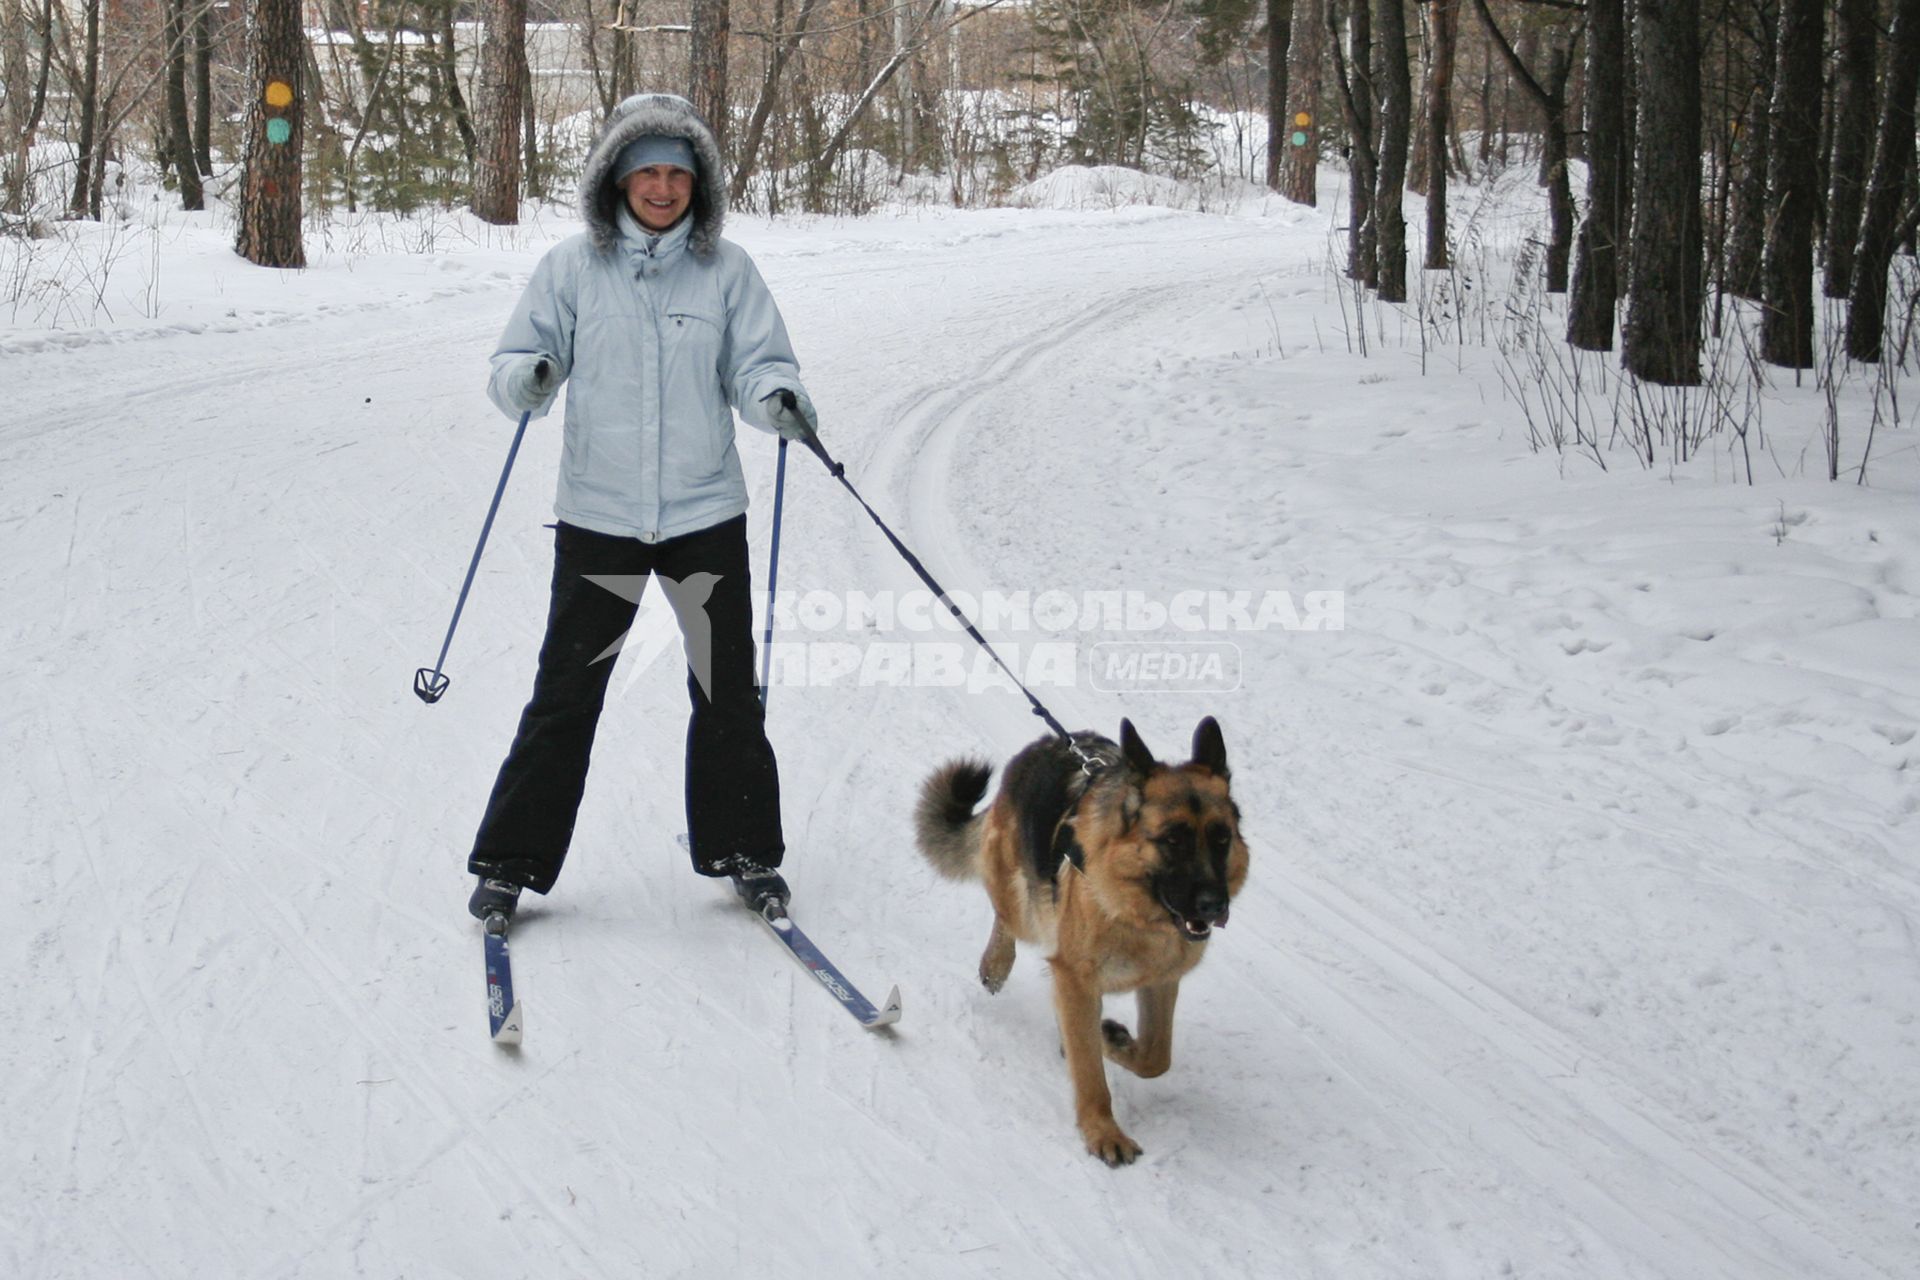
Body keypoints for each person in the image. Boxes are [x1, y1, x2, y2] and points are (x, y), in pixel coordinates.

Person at [465, 93, 816, 924]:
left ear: (700, 182)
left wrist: (777, 398)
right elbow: (514, 360)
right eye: (647, 171)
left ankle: (745, 851)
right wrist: (530, 376)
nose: (663, 187)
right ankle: (511, 863)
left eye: (678, 172)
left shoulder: (727, 270)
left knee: (726, 692)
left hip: (703, 515)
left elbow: (758, 365)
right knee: (565, 696)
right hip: (601, 519)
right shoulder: (571, 269)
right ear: (616, 179)